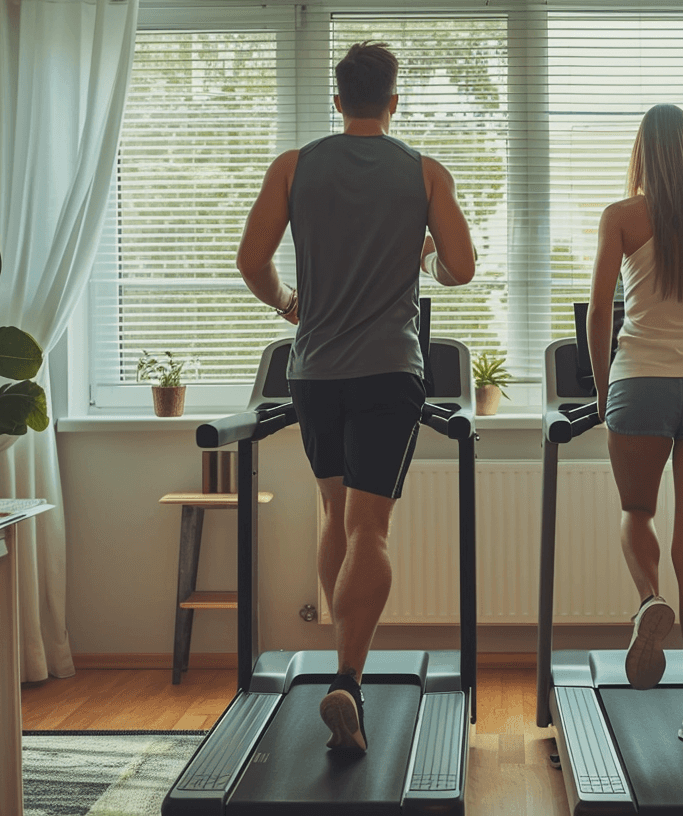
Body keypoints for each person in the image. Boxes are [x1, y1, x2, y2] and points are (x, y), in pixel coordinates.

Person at [235, 40, 475, 754]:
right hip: (387, 371)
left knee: (336, 512)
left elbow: (253, 262)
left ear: (337, 102)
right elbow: (459, 269)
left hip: (313, 373)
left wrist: (288, 304)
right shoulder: (424, 172)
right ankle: (349, 675)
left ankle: (340, 662)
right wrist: (424, 250)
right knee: (372, 526)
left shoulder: (294, 167)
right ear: (393, 102)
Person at [586, 103, 683, 755]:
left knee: (635, 511)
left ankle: (649, 599)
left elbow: (601, 311)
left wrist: (604, 390)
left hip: (640, 381)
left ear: (643, 153)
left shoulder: (623, 217)